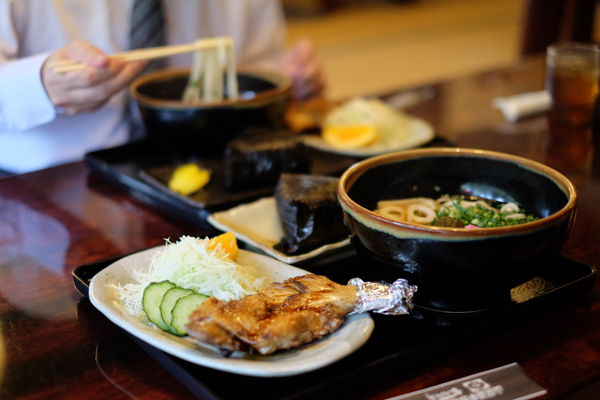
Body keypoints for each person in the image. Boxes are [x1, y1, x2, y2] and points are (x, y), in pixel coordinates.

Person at [0, 0, 325, 175]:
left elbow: (256, 71)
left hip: (198, 169)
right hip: (45, 185)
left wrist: (285, 85)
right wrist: (38, 85)